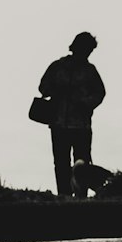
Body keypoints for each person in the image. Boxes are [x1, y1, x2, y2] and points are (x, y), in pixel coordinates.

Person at [35, 33, 105, 199]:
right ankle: (64, 195)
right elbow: (43, 87)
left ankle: (80, 195)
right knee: (61, 163)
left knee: (81, 163)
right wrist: (54, 91)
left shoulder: (89, 71)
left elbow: (99, 93)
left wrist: (85, 103)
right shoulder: (58, 67)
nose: (87, 53)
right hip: (60, 123)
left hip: (81, 125)